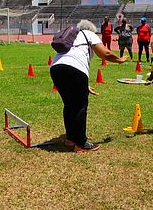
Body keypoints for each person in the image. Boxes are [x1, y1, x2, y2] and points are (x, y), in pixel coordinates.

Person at [50, 20, 127, 153]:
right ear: (91, 29)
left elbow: (71, 60)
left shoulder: (73, 36)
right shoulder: (89, 34)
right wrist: (119, 60)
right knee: (80, 106)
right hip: (74, 69)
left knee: (69, 104)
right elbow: (105, 53)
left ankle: (70, 139)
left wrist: (84, 85)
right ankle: (80, 143)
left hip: (56, 68)